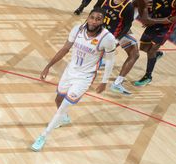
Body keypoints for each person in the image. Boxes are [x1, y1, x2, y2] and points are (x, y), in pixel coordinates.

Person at [33, 10, 117, 152]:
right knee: (58, 100)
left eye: (98, 19)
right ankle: (64, 119)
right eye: (92, 17)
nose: (94, 21)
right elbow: (65, 48)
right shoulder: (77, 29)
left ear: (102, 21)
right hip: (70, 71)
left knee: (63, 106)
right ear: (88, 18)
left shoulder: (107, 38)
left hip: (85, 77)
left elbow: (110, 61)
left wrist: (104, 81)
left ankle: (43, 136)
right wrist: (48, 66)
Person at [109, 0, 171, 94]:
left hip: (119, 23)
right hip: (122, 27)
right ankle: (116, 83)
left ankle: (96, 62)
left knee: (111, 46)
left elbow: (133, 7)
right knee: (134, 54)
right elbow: (146, 20)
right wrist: (166, 20)